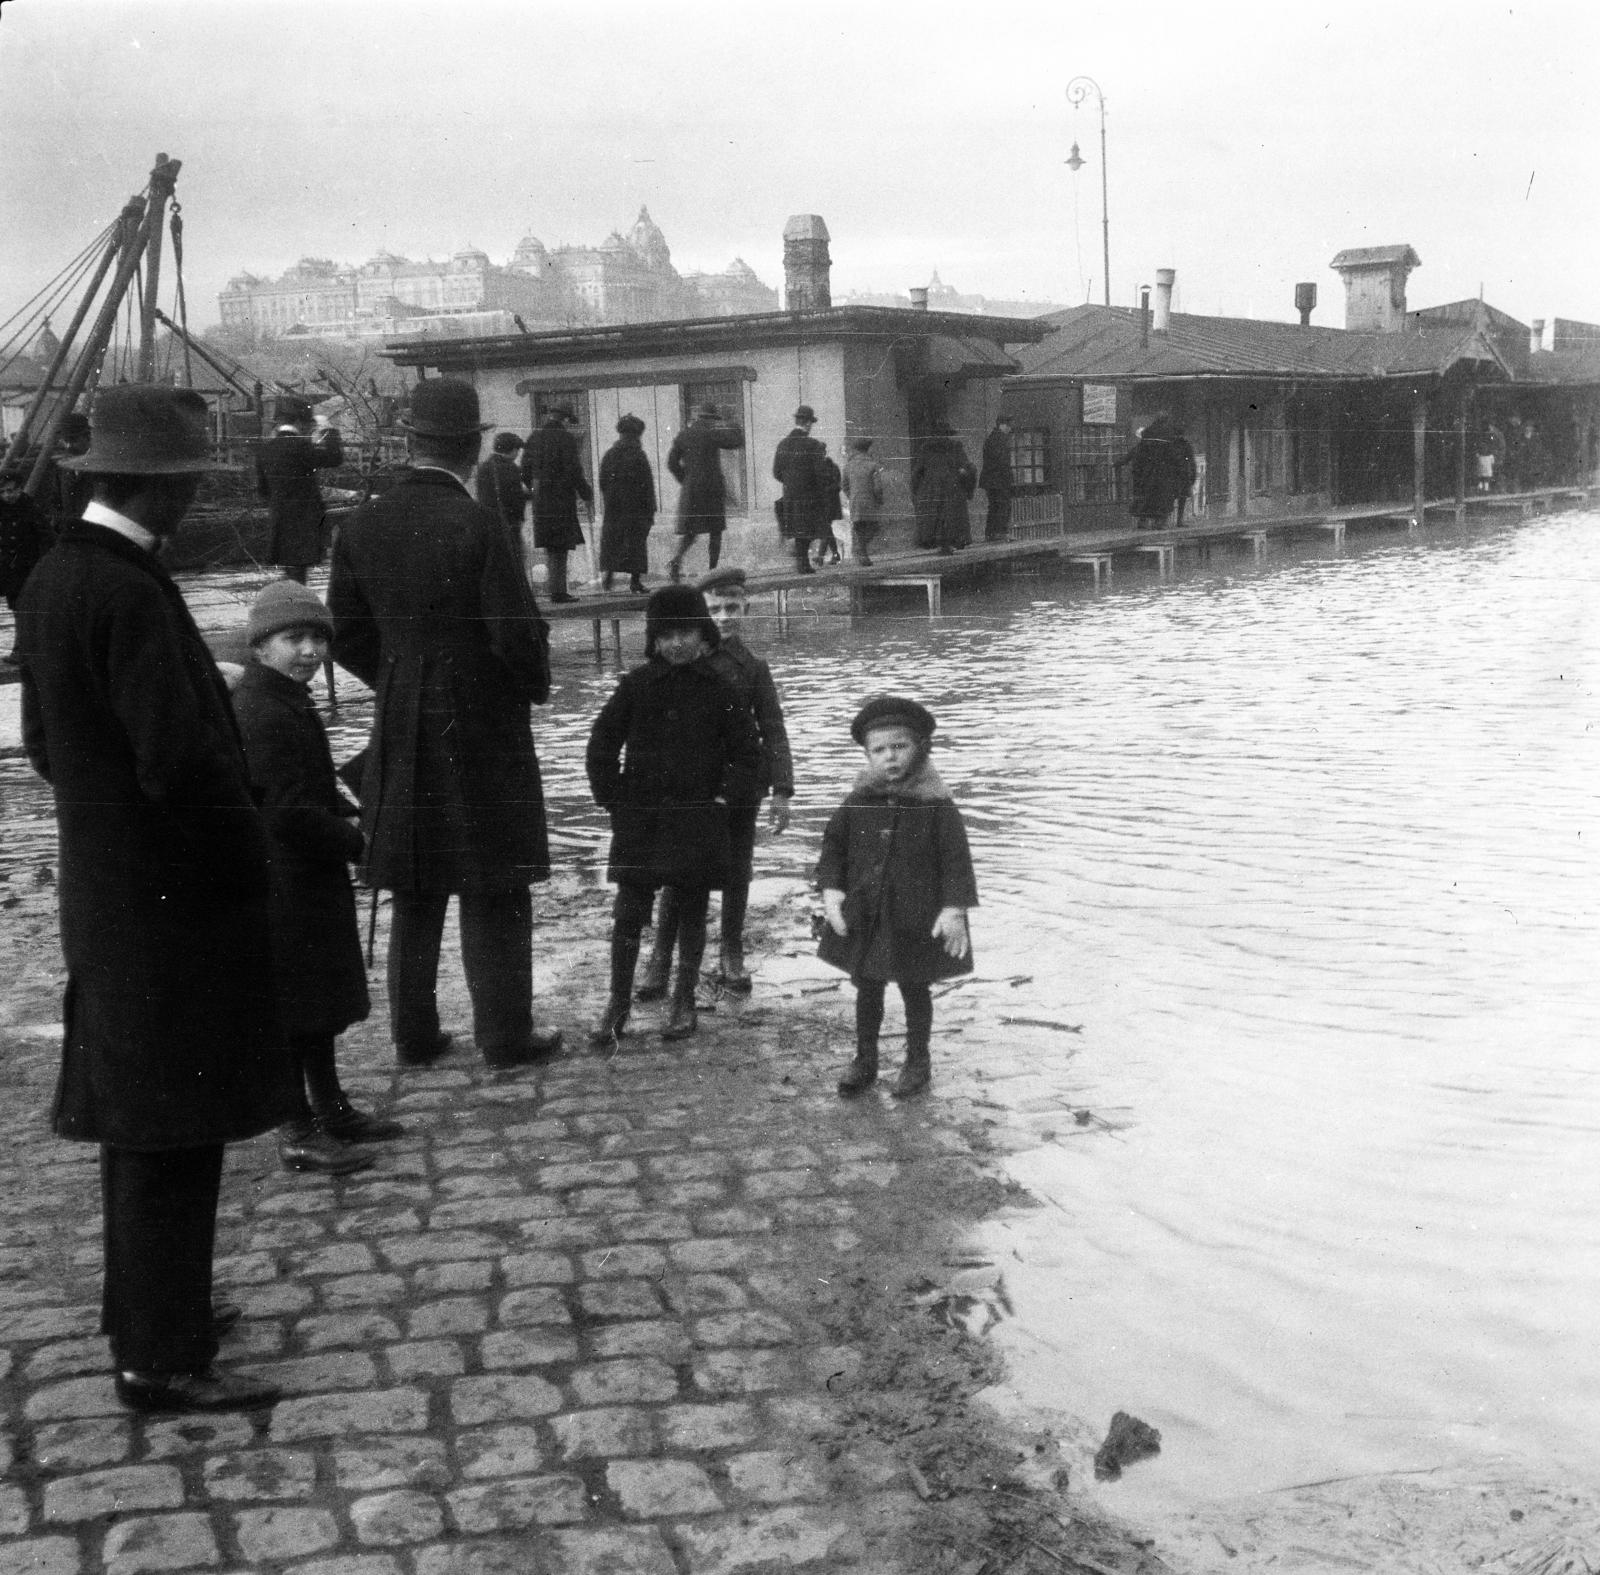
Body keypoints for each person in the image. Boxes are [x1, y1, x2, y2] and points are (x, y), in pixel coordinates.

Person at [13, 384, 294, 1413]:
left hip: (112, 891)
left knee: (145, 1120)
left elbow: (46, 743)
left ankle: (150, 1310)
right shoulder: (129, 590)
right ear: (159, 488)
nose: (191, 503)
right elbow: (182, 765)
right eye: (188, 486)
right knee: (177, 1125)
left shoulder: (55, 578)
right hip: (175, 904)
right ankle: (161, 1358)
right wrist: (246, 858)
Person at [329, 377, 563, 1071]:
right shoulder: (481, 523)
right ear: (472, 445)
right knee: (497, 878)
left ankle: (414, 1034)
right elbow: (516, 635)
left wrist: (401, 682)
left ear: (410, 443)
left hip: (402, 719)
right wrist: (526, 690)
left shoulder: (359, 525)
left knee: (414, 876)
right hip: (483, 721)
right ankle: (504, 1036)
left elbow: (345, 635)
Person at [233, 580, 407, 1177]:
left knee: (316, 1008)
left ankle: (331, 1110)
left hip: (303, 877)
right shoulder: (264, 711)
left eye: (317, 639)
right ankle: (298, 1129)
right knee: (296, 1009)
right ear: (260, 646)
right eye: (293, 639)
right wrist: (357, 840)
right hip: (285, 880)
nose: (309, 651)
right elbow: (285, 813)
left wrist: (352, 813)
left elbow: (307, 788)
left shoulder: (281, 698)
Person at [586, 585, 762, 1046]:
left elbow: (748, 755)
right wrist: (613, 799)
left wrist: (725, 800)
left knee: (691, 907)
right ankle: (617, 1004)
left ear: (702, 635)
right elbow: (601, 745)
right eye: (666, 635)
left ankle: (683, 1000)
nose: (677, 644)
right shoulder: (635, 687)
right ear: (653, 640)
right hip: (640, 819)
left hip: (698, 818)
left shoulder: (721, 689)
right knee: (628, 911)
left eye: (685, 633)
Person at [636, 566, 794, 999]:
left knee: (737, 871)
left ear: (745, 607)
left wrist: (782, 790)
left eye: (732, 607)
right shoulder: (682, 658)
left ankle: (731, 950)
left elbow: (773, 729)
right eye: (715, 609)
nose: (724, 617)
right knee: (677, 873)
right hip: (689, 790)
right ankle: (659, 957)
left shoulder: (753, 668)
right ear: (702, 615)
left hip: (742, 790)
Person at [817, 696, 978, 1100]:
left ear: (919, 748)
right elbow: (834, 845)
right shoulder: (858, 800)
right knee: (867, 985)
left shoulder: (937, 804)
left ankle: (917, 1061)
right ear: (868, 755)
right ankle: (864, 1059)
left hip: (917, 916)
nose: (890, 757)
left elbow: (956, 859)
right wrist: (832, 892)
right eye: (879, 750)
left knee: (914, 986)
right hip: (868, 913)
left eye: (900, 746)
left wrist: (954, 908)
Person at [255, 394, 343, 583]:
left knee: (290, 576)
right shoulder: (302, 447)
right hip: (305, 523)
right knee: (299, 579)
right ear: (299, 422)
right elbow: (335, 458)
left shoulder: (264, 450)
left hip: (278, 521)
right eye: (308, 423)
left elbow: (262, 491)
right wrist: (329, 429)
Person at [666, 400, 745, 581]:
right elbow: (736, 441)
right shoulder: (711, 432)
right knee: (715, 531)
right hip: (711, 490)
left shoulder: (684, 434)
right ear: (711, 419)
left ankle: (676, 562)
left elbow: (671, 463)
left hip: (692, 491)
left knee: (690, 532)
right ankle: (712, 570)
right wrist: (731, 421)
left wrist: (685, 480)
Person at [522, 404, 592, 603]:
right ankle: (558, 592)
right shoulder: (566, 438)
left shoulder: (534, 437)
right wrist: (585, 492)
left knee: (550, 545)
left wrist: (536, 490)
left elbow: (525, 471)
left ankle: (557, 590)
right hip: (561, 497)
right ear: (566, 419)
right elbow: (574, 470)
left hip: (541, 500)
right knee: (560, 546)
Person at [598, 413, 657, 594]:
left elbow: (602, 482)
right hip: (636, 509)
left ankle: (608, 576)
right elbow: (647, 485)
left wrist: (610, 498)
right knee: (636, 544)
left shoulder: (609, 455)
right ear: (636, 435)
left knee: (612, 541)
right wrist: (651, 509)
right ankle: (635, 582)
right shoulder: (639, 455)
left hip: (614, 508)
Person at [773, 404, 829, 575]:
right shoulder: (814, 445)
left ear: (797, 421)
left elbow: (776, 472)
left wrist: (791, 483)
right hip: (810, 494)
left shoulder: (783, 444)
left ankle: (802, 563)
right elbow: (820, 474)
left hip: (790, 494)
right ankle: (803, 563)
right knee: (809, 529)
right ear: (807, 424)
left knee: (798, 530)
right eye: (810, 423)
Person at [1, 467, 49, 659]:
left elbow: (46, 536)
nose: (7, 495)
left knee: (23, 609)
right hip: (5, 567)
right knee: (16, 607)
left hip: (25, 566)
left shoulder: (30, 508)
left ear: (20, 489)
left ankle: (21, 649)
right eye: (3, 491)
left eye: (11, 490)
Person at [1112, 414, 1185, 529]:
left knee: (1145, 497)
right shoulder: (1168, 437)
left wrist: (1120, 462)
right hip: (1163, 473)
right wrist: (1180, 469)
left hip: (1146, 473)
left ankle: (1143, 520)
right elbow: (1174, 456)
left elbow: (1135, 452)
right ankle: (1159, 522)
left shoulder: (1147, 435)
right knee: (1162, 498)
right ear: (1166, 421)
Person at [911, 425, 976, 555]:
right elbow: (966, 467)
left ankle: (940, 544)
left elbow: (917, 472)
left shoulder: (926, 448)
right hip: (951, 487)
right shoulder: (955, 447)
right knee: (950, 515)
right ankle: (948, 544)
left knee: (935, 516)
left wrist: (916, 490)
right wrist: (966, 474)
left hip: (932, 488)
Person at [475, 431, 530, 573]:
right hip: (509, 523)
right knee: (514, 563)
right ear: (512, 450)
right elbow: (516, 498)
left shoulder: (484, 467)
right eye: (517, 450)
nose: (518, 454)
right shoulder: (512, 468)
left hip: (486, 522)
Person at [842, 437, 885, 567]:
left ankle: (863, 555)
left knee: (859, 529)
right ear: (867, 449)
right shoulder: (873, 465)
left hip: (855, 502)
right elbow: (877, 487)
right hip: (870, 502)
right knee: (874, 527)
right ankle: (862, 551)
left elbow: (844, 485)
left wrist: (852, 496)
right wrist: (879, 499)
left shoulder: (849, 465)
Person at [979, 414, 1014, 542]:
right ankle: (1001, 533)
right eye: (1009, 426)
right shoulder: (1001, 439)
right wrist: (1009, 478)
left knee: (993, 506)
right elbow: (1002, 461)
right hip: (999, 479)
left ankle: (991, 533)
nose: (1010, 429)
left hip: (990, 479)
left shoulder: (991, 438)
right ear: (1002, 425)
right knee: (1003, 505)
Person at [814, 443, 844, 567]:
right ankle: (835, 554)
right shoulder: (815, 468)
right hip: (821, 503)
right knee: (827, 529)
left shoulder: (833, 467)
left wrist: (824, 490)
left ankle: (821, 556)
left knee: (826, 528)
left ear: (824, 453)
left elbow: (838, 485)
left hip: (829, 503)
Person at [1171, 423, 1199, 527]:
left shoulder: (1171, 444)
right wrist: (1193, 476)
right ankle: (1179, 520)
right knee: (1182, 498)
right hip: (1183, 475)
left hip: (1173, 474)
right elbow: (1191, 461)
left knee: (1172, 497)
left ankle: (1168, 521)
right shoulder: (1186, 445)